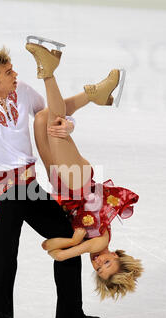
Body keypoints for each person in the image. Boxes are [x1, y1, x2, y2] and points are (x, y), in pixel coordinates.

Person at [0, 47, 117, 318]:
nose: (15, 74)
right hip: (3, 192)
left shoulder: (23, 92)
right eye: (8, 72)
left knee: (71, 239)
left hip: (29, 188)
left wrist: (67, 125)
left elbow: (53, 114)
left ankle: (70, 314)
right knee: (3, 258)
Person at [26, 41, 143, 302]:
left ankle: (93, 96)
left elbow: (47, 246)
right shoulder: (99, 244)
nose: (99, 262)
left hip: (61, 186)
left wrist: (73, 239)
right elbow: (58, 253)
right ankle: (48, 68)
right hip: (78, 185)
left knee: (43, 120)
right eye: (107, 264)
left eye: (99, 270)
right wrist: (73, 242)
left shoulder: (90, 245)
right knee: (57, 125)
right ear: (116, 255)